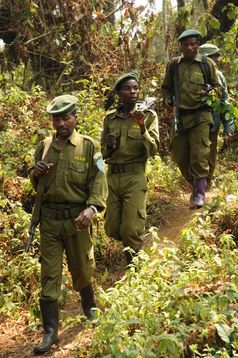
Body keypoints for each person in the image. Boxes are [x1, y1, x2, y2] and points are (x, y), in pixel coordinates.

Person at [29, 94, 107, 354]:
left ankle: (89, 308)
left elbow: (98, 181)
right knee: (49, 275)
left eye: (66, 117)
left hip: (77, 221)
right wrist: (35, 173)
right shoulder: (45, 145)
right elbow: (35, 181)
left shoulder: (88, 146)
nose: (61, 123)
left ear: (75, 118)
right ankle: (51, 332)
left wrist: (92, 208)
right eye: (56, 118)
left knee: (83, 268)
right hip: (49, 222)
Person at [101, 72, 159, 264]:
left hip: (135, 176)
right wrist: (108, 146)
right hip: (113, 177)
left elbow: (153, 149)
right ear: (119, 93)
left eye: (135, 88)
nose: (132, 92)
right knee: (112, 228)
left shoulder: (149, 116)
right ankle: (134, 245)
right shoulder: (110, 119)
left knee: (130, 229)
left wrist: (142, 127)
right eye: (127, 88)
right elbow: (102, 154)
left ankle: (134, 267)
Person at [160, 29, 222, 208]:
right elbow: (165, 88)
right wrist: (167, 98)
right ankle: (195, 182)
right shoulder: (173, 65)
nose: (189, 48)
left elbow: (218, 87)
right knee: (179, 154)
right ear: (180, 46)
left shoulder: (206, 63)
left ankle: (199, 193)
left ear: (198, 46)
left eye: (193, 44)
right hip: (180, 116)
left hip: (202, 114)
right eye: (185, 45)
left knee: (199, 154)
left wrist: (211, 91)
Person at [199, 43, 235, 185]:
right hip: (193, 123)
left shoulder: (219, 76)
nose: (216, 61)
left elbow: (225, 102)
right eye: (212, 58)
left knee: (210, 156)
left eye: (216, 58)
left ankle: (206, 184)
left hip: (212, 124)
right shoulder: (192, 74)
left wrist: (228, 128)